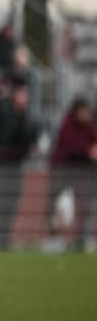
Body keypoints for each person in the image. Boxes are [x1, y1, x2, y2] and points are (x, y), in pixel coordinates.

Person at [0, 78, 37, 249]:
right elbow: (3, 134)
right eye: (22, 94)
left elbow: (28, 137)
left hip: (17, 163)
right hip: (3, 163)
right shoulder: (5, 111)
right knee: (0, 201)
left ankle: (4, 237)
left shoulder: (25, 115)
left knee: (12, 202)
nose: (25, 97)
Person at [47, 98, 97, 251]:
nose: (87, 114)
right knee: (55, 205)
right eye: (85, 111)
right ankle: (53, 239)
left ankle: (82, 239)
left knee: (86, 205)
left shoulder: (88, 126)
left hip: (82, 170)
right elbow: (71, 145)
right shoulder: (67, 125)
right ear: (77, 111)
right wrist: (89, 151)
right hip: (63, 169)